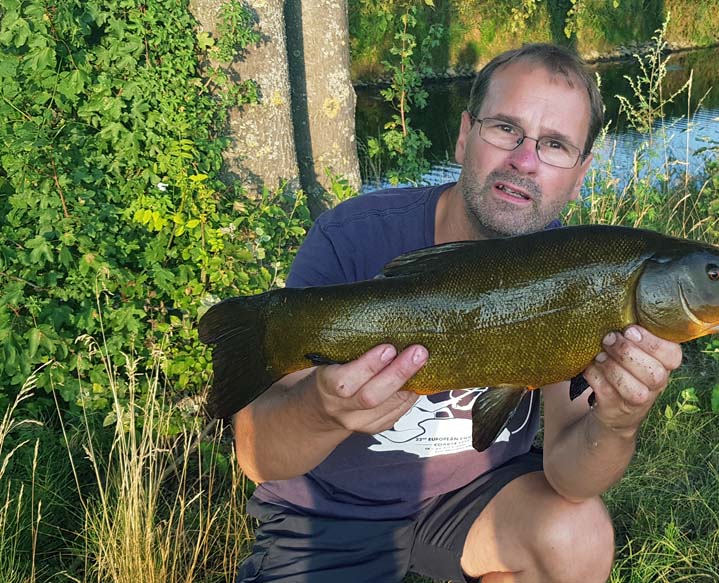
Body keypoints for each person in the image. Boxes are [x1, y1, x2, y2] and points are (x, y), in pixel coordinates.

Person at [233, 43, 683, 583]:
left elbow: (571, 478)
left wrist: (617, 422)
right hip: (331, 506)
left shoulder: (581, 270)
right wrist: (321, 409)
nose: (524, 160)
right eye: (505, 129)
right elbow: (258, 458)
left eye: (556, 144)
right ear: (465, 134)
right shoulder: (350, 236)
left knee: (576, 535)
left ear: (581, 171)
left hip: (474, 500)